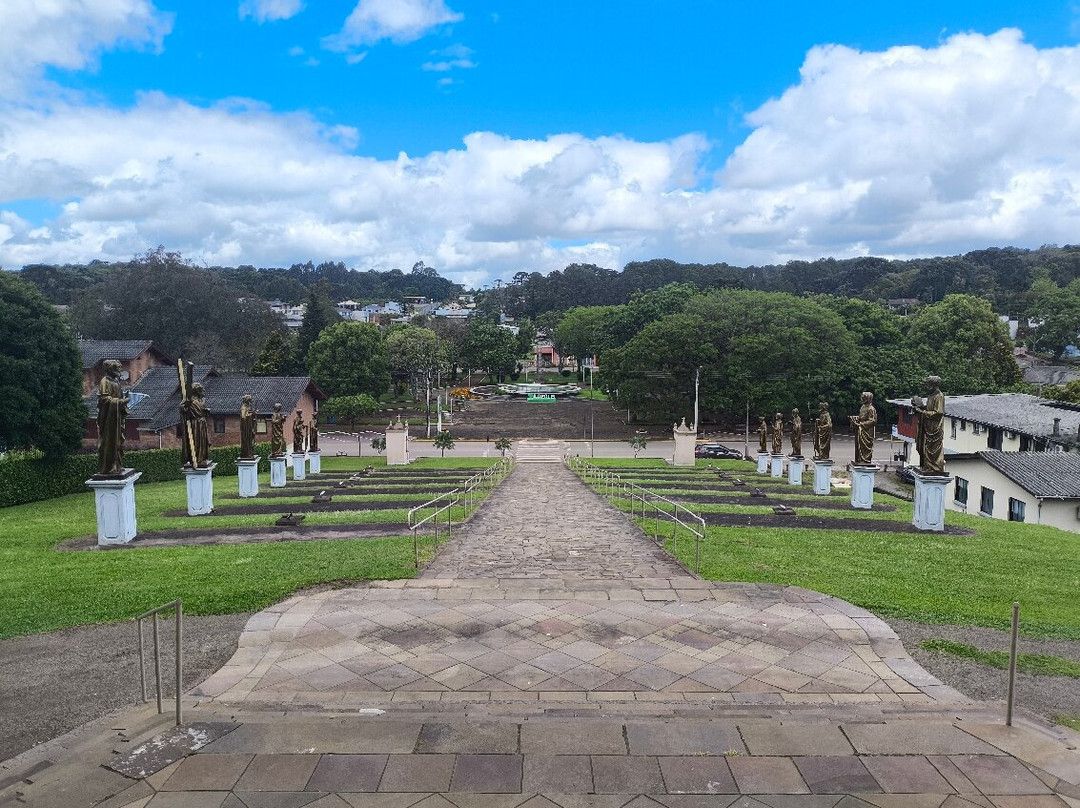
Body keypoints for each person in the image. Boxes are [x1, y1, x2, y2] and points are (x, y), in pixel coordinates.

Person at [96, 359, 129, 476]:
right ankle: (109, 467)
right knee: (110, 441)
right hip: (109, 419)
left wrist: (124, 400)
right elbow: (104, 399)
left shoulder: (116, 381)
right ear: (111, 370)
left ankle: (117, 465)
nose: (120, 372)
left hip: (117, 417)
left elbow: (118, 397)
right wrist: (121, 401)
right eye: (117, 369)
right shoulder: (105, 382)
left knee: (118, 441)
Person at [913, 375, 946, 474]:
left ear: (934, 385)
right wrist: (920, 406)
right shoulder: (931, 396)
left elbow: (938, 413)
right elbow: (929, 408)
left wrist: (922, 412)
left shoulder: (939, 396)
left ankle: (935, 467)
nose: (926, 387)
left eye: (928, 385)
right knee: (926, 448)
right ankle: (928, 466)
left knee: (933, 449)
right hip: (928, 427)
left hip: (935, 428)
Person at [180, 382, 211, 468]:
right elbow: (183, 408)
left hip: (202, 424)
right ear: (197, 391)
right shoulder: (190, 400)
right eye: (201, 390)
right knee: (197, 441)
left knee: (202, 442)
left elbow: (202, 411)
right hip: (195, 425)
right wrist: (184, 407)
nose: (203, 392)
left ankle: (202, 457)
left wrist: (205, 411)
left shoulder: (200, 400)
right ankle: (197, 458)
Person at [849, 391, 877, 466]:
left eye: (863, 398)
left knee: (866, 446)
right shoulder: (863, 407)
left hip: (867, 431)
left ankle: (866, 459)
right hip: (861, 430)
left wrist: (860, 424)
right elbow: (861, 417)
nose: (862, 399)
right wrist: (855, 419)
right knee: (860, 445)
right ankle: (860, 458)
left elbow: (873, 421)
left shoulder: (871, 409)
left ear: (868, 398)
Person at [239, 394, 255, 459]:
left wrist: (253, 414)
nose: (250, 403)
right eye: (250, 401)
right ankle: (246, 453)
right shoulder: (244, 407)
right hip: (246, 429)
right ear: (247, 401)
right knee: (247, 441)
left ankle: (249, 453)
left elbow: (249, 414)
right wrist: (251, 414)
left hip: (249, 428)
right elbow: (243, 417)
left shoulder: (248, 407)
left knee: (250, 441)